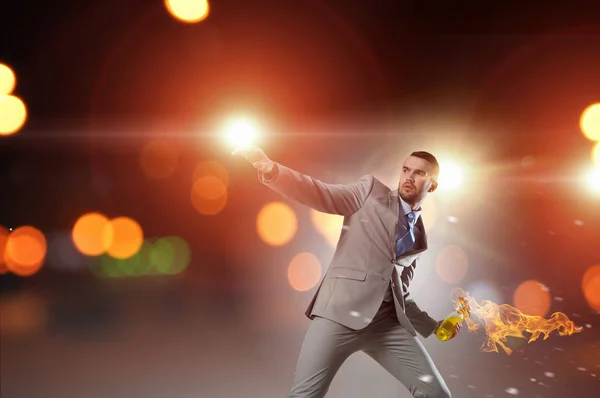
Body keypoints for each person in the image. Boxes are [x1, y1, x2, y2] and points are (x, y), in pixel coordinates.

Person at [233, 146, 460, 398]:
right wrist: (272, 170)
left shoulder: (419, 237)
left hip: (385, 324)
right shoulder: (370, 191)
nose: (408, 177)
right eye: (406, 170)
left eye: (419, 174)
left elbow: (400, 293)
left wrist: (433, 325)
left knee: (437, 394)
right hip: (338, 314)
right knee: (304, 395)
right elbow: (322, 194)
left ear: (433, 185)